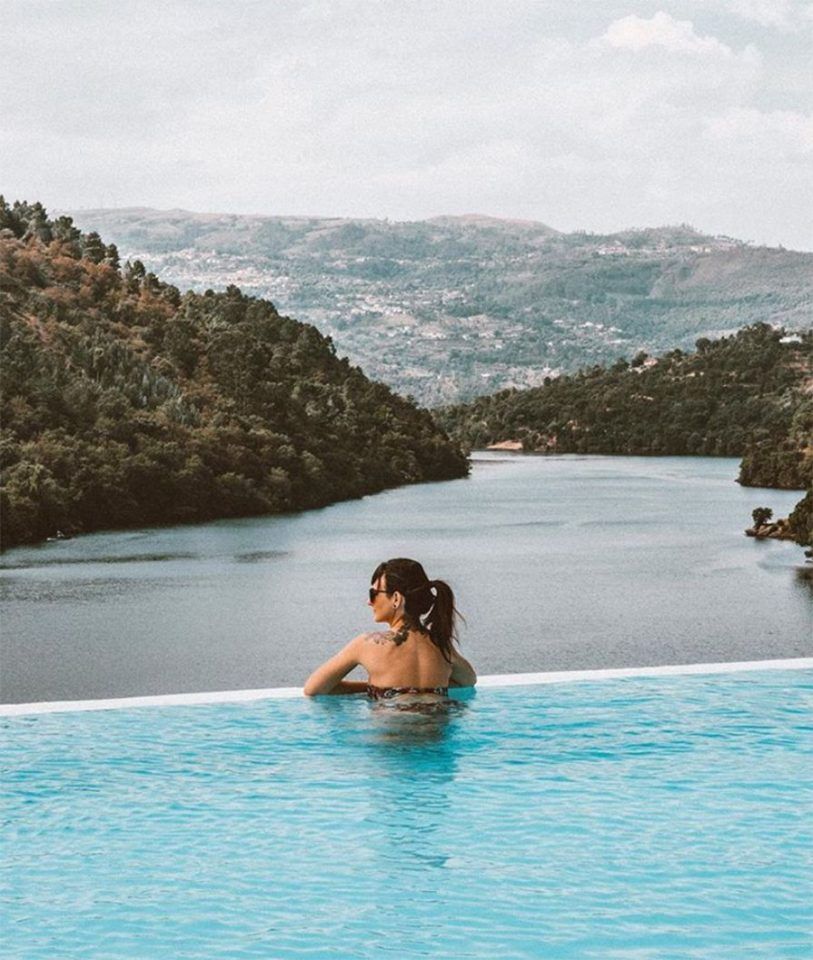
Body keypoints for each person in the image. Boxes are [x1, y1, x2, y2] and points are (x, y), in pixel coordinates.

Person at [303, 558, 476, 699]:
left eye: (373, 594)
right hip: (437, 731)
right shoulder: (441, 645)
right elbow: (469, 681)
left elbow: (313, 689)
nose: (369, 602)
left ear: (396, 599)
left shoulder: (366, 644)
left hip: (391, 731)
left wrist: (374, 688)